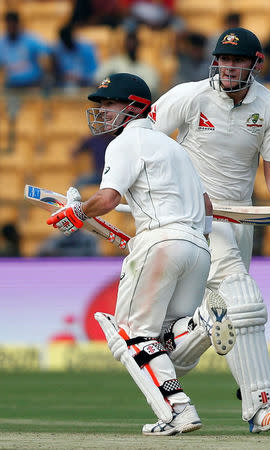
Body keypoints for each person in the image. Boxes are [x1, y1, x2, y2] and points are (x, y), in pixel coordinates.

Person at [46, 72, 235, 435]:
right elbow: (206, 206)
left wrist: (77, 212)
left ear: (135, 107)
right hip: (197, 246)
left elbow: (108, 198)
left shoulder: (125, 142)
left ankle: (178, 410)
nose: (102, 111)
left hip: (162, 241)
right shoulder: (174, 147)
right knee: (164, 341)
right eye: (100, 105)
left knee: (130, 335)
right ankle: (200, 326)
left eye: (109, 104)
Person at [148, 27, 270, 433]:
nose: (228, 67)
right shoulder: (190, 96)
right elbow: (144, 142)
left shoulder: (268, 105)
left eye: (238, 60)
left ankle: (186, 347)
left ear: (255, 64)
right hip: (195, 218)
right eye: (223, 59)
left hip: (240, 222)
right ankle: (262, 406)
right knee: (243, 301)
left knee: (228, 311)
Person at [95, 32, 160, 98]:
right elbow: (98, 79)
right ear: (124, 45)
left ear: (138, 45)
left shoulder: (147, 68)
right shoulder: (113, 63)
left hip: (137, 102)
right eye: (129, 43)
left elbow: (152, 88)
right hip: (115, 99)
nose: (131, 45)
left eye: (134, 43)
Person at [0, 11, 51, 89]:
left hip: (33, 82)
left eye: (13, 24)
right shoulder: (2, 42)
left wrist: (45, 65)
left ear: (18, 24)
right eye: (8, 24)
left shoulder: (31, 39)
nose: (11, 27)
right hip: (12, 84)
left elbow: (47, 53)